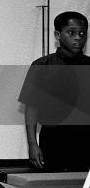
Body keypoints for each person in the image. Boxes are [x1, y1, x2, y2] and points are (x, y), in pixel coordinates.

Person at [19, 11, 90, 171]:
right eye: (71, 32)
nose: (78, 37)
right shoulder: (42, 65)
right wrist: (32, 144)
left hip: (86, 140)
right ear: (58, 35)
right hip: (53, 141)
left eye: (82, 33)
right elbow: (32, 108)